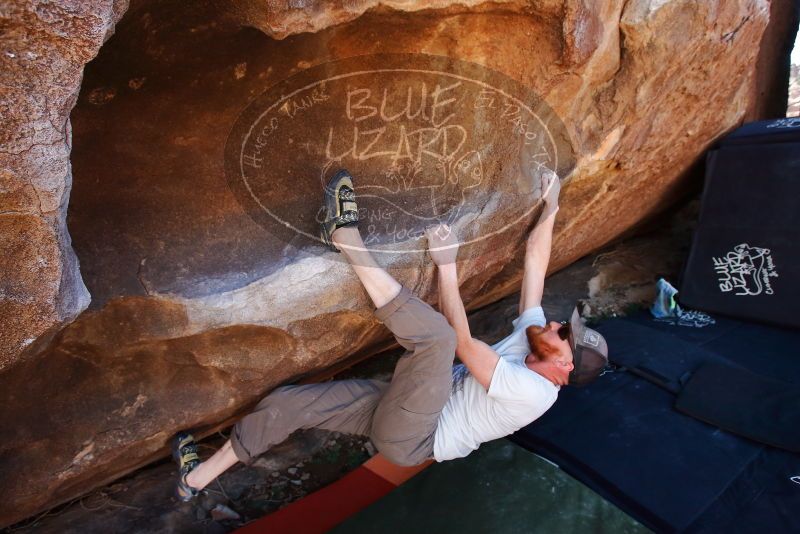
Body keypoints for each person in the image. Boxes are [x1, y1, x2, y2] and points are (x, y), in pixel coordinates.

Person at [172, 169, 609, 501]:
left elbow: (460, 343)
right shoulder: (534, 342)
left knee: (436, 340)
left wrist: (447, 266)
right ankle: (195, 479)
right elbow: (537, 263)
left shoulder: (535, 393)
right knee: (291, 403)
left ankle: (344, 235)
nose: (554, 324)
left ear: (564, 365)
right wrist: (552, 202)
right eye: (562, 324)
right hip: (406, 408)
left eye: (564, 333)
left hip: (416, 435)